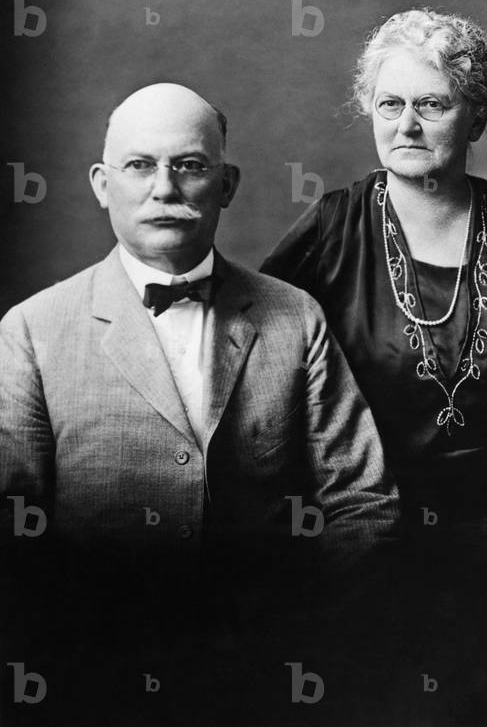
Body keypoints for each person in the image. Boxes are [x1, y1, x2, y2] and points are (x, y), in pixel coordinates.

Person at [0, 83, 398, 723]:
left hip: (268, 681)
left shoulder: (294, 317)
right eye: (140, 166)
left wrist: (307, 634)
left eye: (189, 165)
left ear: (227, 183)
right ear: (103, 183)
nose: (165, 188)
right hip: (94, 683)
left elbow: (362, 502)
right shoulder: (31, 330)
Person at [260, 9, 487, 724]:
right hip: (367, 537)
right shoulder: (333, 225)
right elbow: (255, 363)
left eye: (432, 105)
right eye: (390, 105)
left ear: (475, 116)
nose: (407, 126)